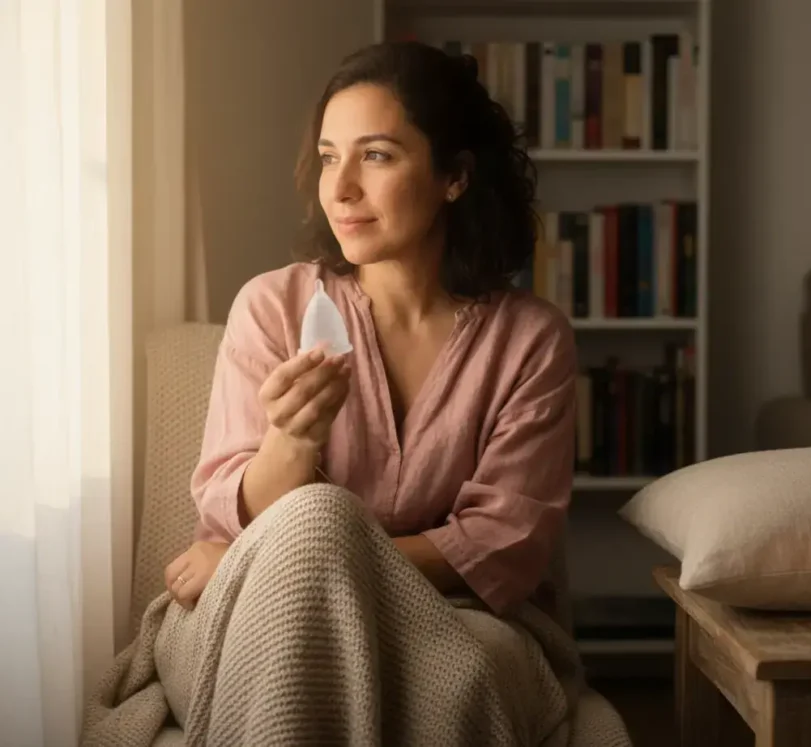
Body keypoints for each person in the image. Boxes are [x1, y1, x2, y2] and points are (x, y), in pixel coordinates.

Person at [163, 40, 577, 623]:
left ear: (454, 177)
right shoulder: (272, 306)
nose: (340, 189)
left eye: (377, 156)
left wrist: (284, 564)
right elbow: (233, 513)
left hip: (447, 616)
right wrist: (292, 439)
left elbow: (502, 540)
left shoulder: (529, 342)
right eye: (330, 157)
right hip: (260, 613)